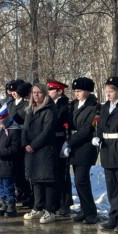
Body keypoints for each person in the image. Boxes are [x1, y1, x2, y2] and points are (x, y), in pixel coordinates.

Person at [93, 76, 118, 234]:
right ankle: (114, 216)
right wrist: (97, 136)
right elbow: (99, 125)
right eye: (106, 91)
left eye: (111, 91)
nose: (108, 94)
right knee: (111, 188)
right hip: (107, 150)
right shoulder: (105, 107)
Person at [22, 83, 58, 224]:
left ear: (44, 94)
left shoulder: (49, 110)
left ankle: (50, 210)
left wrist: (33, 145)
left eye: (39, 93)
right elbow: (25, 129)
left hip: (44, 150)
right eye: (34, 92)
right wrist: (25, 144)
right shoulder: (30, 110)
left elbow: (47, 131)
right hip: (31, 151)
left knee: (47, 181)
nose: (36, 95)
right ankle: (38, 207)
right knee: (35, 180)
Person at [66, 77, 100, 224]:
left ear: (87, 91)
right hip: (74, 145)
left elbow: (87, 128)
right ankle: (84, 210)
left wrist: (68, 142)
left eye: (79, 91)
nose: (76, 94)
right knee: (79, 181)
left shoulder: (94, 106)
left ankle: (91, 212)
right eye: (75, 91)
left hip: (85, 146)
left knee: (81, 180)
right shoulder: (73, 105)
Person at [0, 105, 22, 217]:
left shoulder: (14, 131)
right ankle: (3, 204)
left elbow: (14, 149)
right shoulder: (1, 129)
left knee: (8, 187)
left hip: (8, 164)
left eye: (0, 123)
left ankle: (11, 207)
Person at [47, 79, 72, 216]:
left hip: (61, 140)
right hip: (51, 142)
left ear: (59, 91)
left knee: (63, 174)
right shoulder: (50, 104)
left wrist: (66, 142)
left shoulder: (65, 105)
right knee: (53, 173)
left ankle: (65, 203)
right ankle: (55, 202)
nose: (48, 92)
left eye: (51, 90)